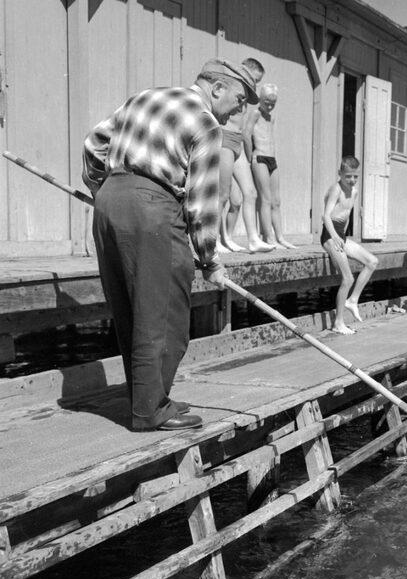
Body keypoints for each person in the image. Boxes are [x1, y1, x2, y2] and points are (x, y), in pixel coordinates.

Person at [82, 57, 257, 431]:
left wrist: (102, 189)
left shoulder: (145, 97)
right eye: (240, 100)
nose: (239, 111)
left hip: (110, 204)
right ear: (217, 88)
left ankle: (148, 398)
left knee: (131, 308)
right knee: (166, 313)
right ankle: (150, 411)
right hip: (153, 210)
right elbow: (201, 202)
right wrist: (209, 260)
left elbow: (94, 144)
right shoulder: (206, 124)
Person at [219, 57, 275, 254]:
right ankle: (216, 241)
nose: (255, 84)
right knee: (224, 195)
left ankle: (253, 240)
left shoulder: (247, 95)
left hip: (238, 144)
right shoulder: (229, 86)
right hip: (224, 139)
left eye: (258, 82)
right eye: (254, 79)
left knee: (250, 193)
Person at [320, 156, 378, 335]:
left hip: (341, 236)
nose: (352, 180)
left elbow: (346, 215)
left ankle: (352, 300)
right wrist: (334, 238)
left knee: (372, 262)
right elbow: (326, 216)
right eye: (348, 176)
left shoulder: (354, 191)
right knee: (348, 279)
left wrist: (343, 238)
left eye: (355, 176)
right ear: (340, 174)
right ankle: (338, 323)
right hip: (330, 235)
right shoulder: (336, 189)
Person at [244, 83, 296, 250]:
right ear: (260, 99)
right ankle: (269, 238)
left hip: (272, 159)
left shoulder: (271, 117)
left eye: (273, 103)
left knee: (276, 201)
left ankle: (280, 237)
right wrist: (250, 156)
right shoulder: (255, 114)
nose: (269, 106)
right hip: (259, 157)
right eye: (266, 102)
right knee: (265, 199)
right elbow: (246, 135)